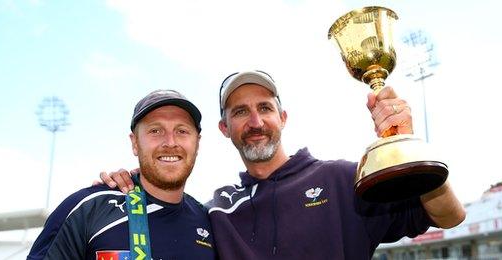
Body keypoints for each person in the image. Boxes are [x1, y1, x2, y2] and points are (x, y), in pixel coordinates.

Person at [101, 70, 466, 259]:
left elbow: (449, 216)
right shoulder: (216, 212)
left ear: (283, 117)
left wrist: (407, 147)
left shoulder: (341, 178)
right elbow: (165, 209)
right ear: (224, 129)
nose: (255, 122)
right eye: (240, 112)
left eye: (265, 108)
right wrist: (133, 181)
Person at [27, 90, 217, 259]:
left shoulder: (210, 222)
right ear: (135, 143)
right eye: (155, 130)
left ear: (197, 143)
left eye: (182, 131)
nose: (170, 142)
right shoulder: (87, 208)